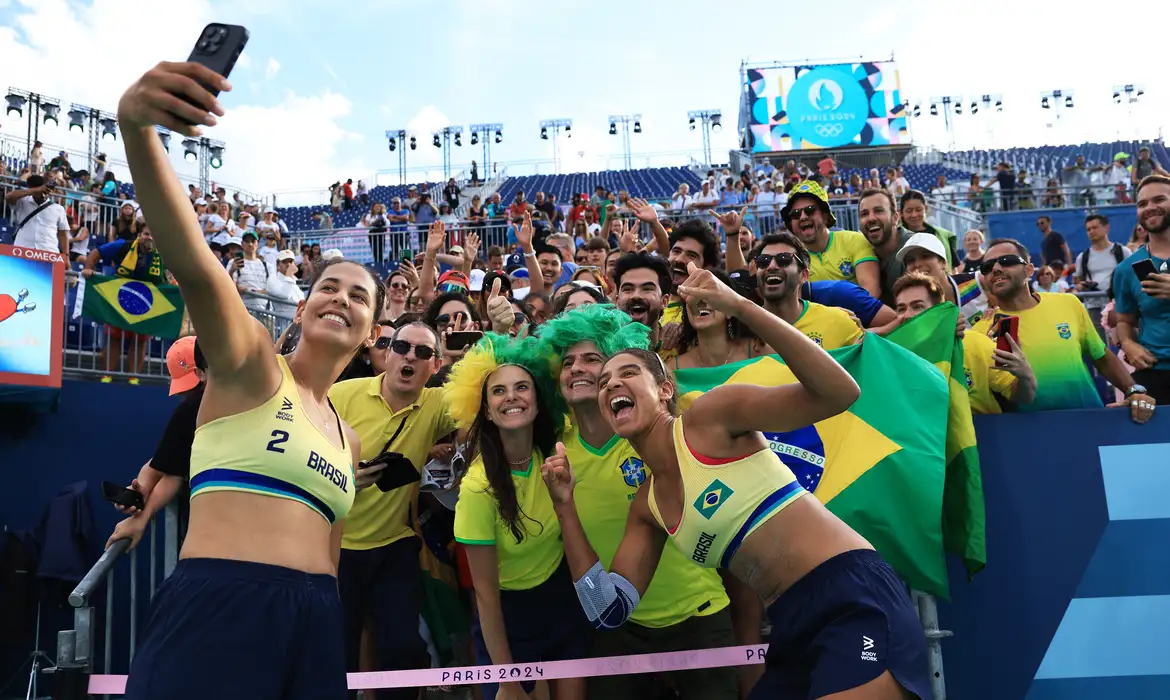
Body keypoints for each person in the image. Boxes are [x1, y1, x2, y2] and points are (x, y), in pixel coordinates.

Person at [114, 60, 385, 700]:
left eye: (359, 295)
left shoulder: (346, 435)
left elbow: (333, 553)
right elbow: (200, 269)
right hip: (221, 605)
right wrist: (137, 130)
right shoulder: (253, 365)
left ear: (373, 330)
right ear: (305, 302)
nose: (341, 298)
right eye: (328, 287)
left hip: (318, 620)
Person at [541, 263, 930, 700]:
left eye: (628, 373)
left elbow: (839, 393)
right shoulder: (647, 506)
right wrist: (564, 508)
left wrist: (739, 304)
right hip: (790, 620)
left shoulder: (710, 417)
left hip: (851, 593)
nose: (612, 383)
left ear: (665, 389)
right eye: (605, 381)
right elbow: (607, 611)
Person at [537, 304, 739, 700]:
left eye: (593, 359)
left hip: (701, 616)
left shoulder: (662, 432)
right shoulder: (553, 452)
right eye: (567, 362)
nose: (577, 368)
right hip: (619, 626)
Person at [446, 334, 588, 700]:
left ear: (538, 403)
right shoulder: (478, 489)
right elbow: (487, 599)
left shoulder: (555, 456)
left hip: (561, 603)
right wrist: (508, 680)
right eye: (498, 391)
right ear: (487, 411)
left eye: (522, 387)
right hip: (507, 616)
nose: (511, 396)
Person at [329, 321, 456, 700]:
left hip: (392, 546)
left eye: (422, 352)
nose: (409, 357)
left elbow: (491, 395)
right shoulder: (342, 394)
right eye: (401, 346)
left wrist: (499, 330)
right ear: (387, 352)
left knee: (403, 649)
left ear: (434, 366)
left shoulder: (437, 404)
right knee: (337, 654)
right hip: (334, 550)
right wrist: (346, 477)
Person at [972, 238, 1155, 421]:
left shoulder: (1068, 303)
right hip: (1027, 433)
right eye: (987, 267)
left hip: (1089, 421)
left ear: (1029, 270)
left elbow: (1101, 357)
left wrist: (1133, 391)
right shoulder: (980, 332)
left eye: (1007, 261)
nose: (995, 269)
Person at [106, 336, 208, 550]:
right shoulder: (191, 411)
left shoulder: (190, 409)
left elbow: (171, 474)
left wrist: (141, 514)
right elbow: (161, 466)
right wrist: (139, 492)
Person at [891, 273, 1036, 414]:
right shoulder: (891, 356)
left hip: (984, 434)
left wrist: (1025, 376)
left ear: (939, 310)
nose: (908, 315)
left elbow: (1024, 397)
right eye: (901, 309)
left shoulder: (975, 344)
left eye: (917, 307)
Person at [1112, 175, 1170, 402]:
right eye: (1142, 204)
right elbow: (1124, 320)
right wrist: (1127, 343)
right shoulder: (1127, 269)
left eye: (1159, 200)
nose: (1150, 208)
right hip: (1154, 376)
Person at [5, 174, 69, 254]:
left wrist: (66, 255)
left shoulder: (59, 209)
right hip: (23, 249)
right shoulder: (23, 201)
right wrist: (34, 190)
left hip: (48, 252)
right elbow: (8, 197)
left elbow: (63, 234)